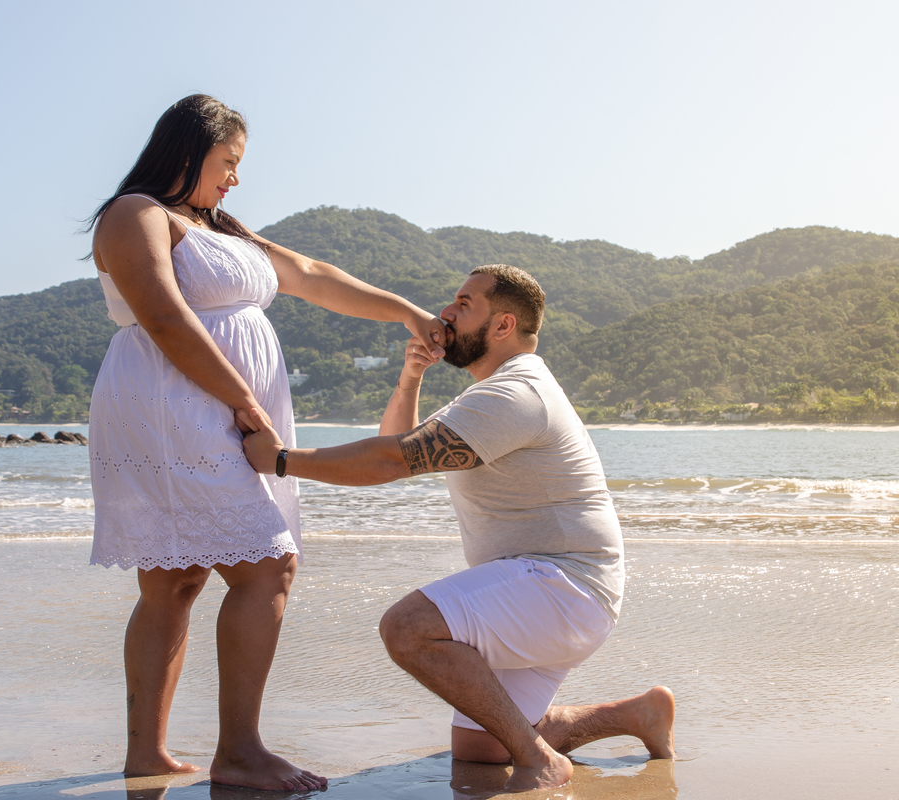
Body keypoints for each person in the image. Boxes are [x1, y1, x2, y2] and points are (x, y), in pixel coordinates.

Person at [85, 94, 446, 792]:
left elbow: (311, 275)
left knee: (176, 579)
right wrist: (243, 401)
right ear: (188, 152)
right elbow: (161, 314)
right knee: (263, 568)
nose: (235, 178)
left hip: (213, 407)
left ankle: (147, 756)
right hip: (173, 407)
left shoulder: (218, 226)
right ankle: (241, 752)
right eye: (228, 162)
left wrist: (405, 311)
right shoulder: (135, 214)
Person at [242, 265, 676, 793]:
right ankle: (635, 715)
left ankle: (541, 759)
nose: (445, 313)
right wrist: (411, 378)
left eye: (464, 304)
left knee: (407, 627)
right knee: (482, 749)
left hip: (561, 587)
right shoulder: (491, 393)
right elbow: (397, 446)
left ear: (502, 325)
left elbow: (388, 463)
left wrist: (282, 459)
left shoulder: (516, 395)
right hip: (558, 596)